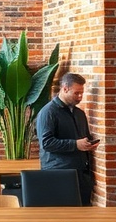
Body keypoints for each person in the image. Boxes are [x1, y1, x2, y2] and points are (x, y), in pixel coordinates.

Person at [36, 72, 99, 205]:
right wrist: (75, 145)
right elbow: (46, 143)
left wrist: (88, 144)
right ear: (65, 89)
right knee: (62, 216)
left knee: (83, 215)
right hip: (58, 174)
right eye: (76, 93)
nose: (80, 97)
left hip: (81, 174)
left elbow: (84, 137)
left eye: (82, 93)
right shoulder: (48, 112)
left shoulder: (79, 113)